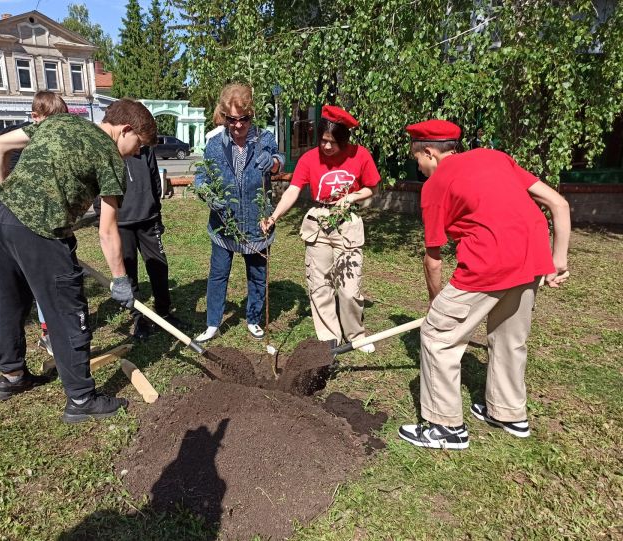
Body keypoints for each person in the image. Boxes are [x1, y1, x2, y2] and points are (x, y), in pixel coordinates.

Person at [397, 119, 570, 450]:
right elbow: (558, 204)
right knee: (509, 336)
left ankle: (445, 428)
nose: (418, 166)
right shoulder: (494, 156)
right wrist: (558, 260)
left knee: (437, 336)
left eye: (416, 159)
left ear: (429, 152)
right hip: (533, 257)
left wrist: (437, 304)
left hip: (488, 263)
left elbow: (433, 259)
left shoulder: (435, 185)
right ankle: (508, 413)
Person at [0, 98, 156, 423]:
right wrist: (121, 280)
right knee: (68, 311)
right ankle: (81, 398)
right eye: (139, 145)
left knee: (10, 301)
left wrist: (9, 197)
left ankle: (11, 376)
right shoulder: (110, 157)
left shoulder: (57, 122)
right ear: (126, 130)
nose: (137, 153)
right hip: (39, 229)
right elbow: (107, 231)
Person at [261, 105, 380, 352]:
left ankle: (356, 335)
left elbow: (372, 188)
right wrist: (274, 216)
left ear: (344, 140)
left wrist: (352, 197)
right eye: (323, 140)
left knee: (348, 289)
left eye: (332, 142)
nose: (326, 147)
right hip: (318, 222)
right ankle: (329, 336)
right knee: (320, 284)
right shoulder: (309, 159)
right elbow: (293, 189)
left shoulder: (361, 155)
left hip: (347, 222)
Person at [194, 83, 284, 343]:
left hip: (258, 221)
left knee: (258, 273)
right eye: (231, 119)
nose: (237, 125)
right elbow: (202, 177)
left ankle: (254, 318)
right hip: (225, 223)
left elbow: (279, 160)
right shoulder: (214, 144)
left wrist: (274, 162)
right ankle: (212, 323)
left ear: (251, 115)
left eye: (243, 119)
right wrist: (208, 195)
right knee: (219, 273)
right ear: (224, 116)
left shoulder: (264, 138)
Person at [0, 90, 70, 358]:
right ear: (35, 117)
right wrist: (0, 191)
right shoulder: (27, 137)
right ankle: (49, 334)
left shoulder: (51, 141)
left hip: (40, 223)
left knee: (37, 288)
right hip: (23, 225)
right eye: (49, 120)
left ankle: (42, 338)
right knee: (30, 288)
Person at [93, 145, 187, 340]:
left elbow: (154, 179)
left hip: (148, 219)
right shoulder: (105, 147)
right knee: (129, 272)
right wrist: (102, 216)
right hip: (121, 222)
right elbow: (95, 184)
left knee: (159, 267)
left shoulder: (145, 148)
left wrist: (157, 213)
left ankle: (164, 312)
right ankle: (139, 319)